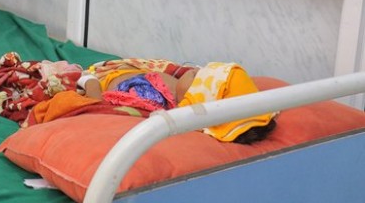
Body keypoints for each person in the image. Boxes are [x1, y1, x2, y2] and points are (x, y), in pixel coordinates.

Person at [78, 60, 277, 144]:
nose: (195, 69)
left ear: (192, 98)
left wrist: (89, 82)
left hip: (101, 78)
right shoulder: (176, 87)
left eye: (198, 76)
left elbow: (99, 105)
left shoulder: (151, 100)